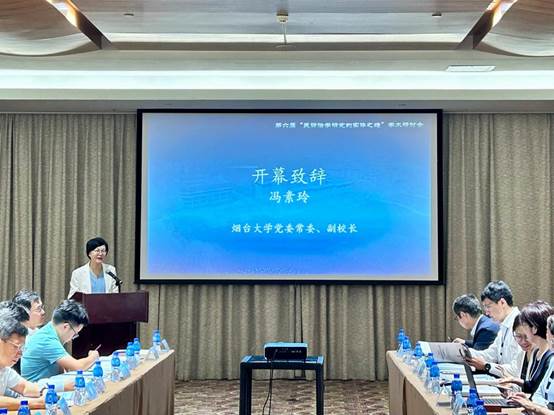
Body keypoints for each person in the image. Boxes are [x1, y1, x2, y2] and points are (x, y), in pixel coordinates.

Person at [21, 299, 99, 382]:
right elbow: (79, 367)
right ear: (66, 327)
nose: (72, 338)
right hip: (37, 388)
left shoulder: (50, 331)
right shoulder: (47, 340)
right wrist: (93, 356)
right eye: (75, 333)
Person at [464, 280, 524, 377]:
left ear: (502, 302)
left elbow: (516, 370)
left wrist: (487, 366)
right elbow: (491, 354)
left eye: (488, 306)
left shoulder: (520, 326)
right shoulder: (504, 325)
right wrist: (464, 351)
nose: (486, 312)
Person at [498, 301, 554, 397]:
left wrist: (527, 401)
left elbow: (543, 395)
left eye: (524, 325)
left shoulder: (550, 356)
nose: (523, 329)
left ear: (534, 328)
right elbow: (532, 387)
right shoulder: (536, 352)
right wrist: (513, 382)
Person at [0, 310, 45, 410]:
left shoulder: (5, 369)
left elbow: (25, 387)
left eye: (21, 348)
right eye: (16, 347)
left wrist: (45, 391)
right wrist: (35, 403)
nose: (20, 354)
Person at [509, 315, 554, 414]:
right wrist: (528, 401)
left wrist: (534, 407)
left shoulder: (549, 356)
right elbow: (538, 393)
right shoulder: (552, 361)